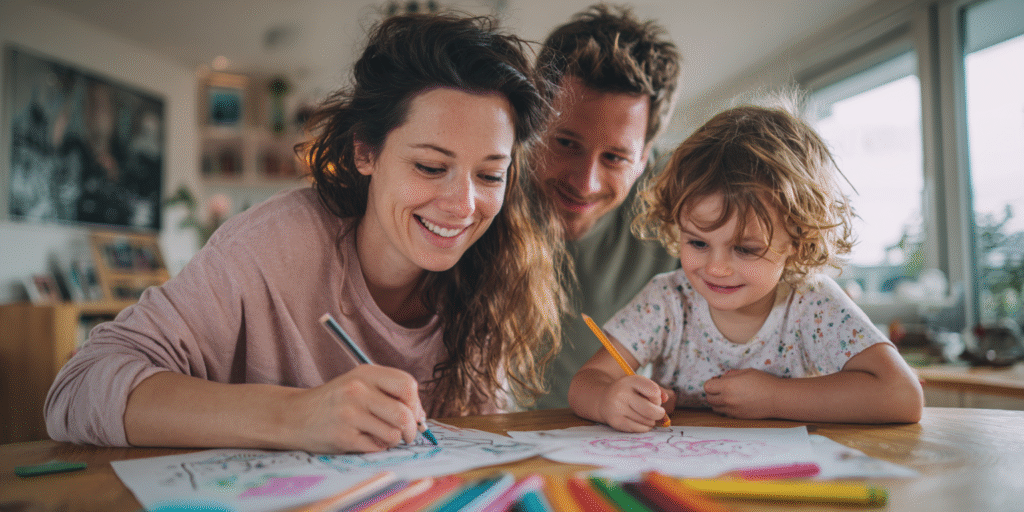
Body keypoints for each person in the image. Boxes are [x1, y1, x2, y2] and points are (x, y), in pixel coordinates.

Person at [45, 12, 567, 454]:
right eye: (430, 167)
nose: (463, 206)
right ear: (365, 151)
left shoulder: (493, 272)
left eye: (490, 175)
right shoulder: (273, 244)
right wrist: (293, 416)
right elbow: (78, 388)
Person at [568, 104, 925, 431]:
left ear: (798, 240)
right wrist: (610, 400)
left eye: (745, 249)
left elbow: (901, 395)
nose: (716, 268)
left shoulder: (811, 303)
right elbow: (587, 381)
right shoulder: (667, 299)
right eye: (698, 243)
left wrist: (775, 397)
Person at [532, 4, 683, 409]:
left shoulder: (684, 198)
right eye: (566, 143)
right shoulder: (481, 185)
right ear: (532, 125)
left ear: (645, 157)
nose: (585, 184)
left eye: (615, 158)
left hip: (617, 432)